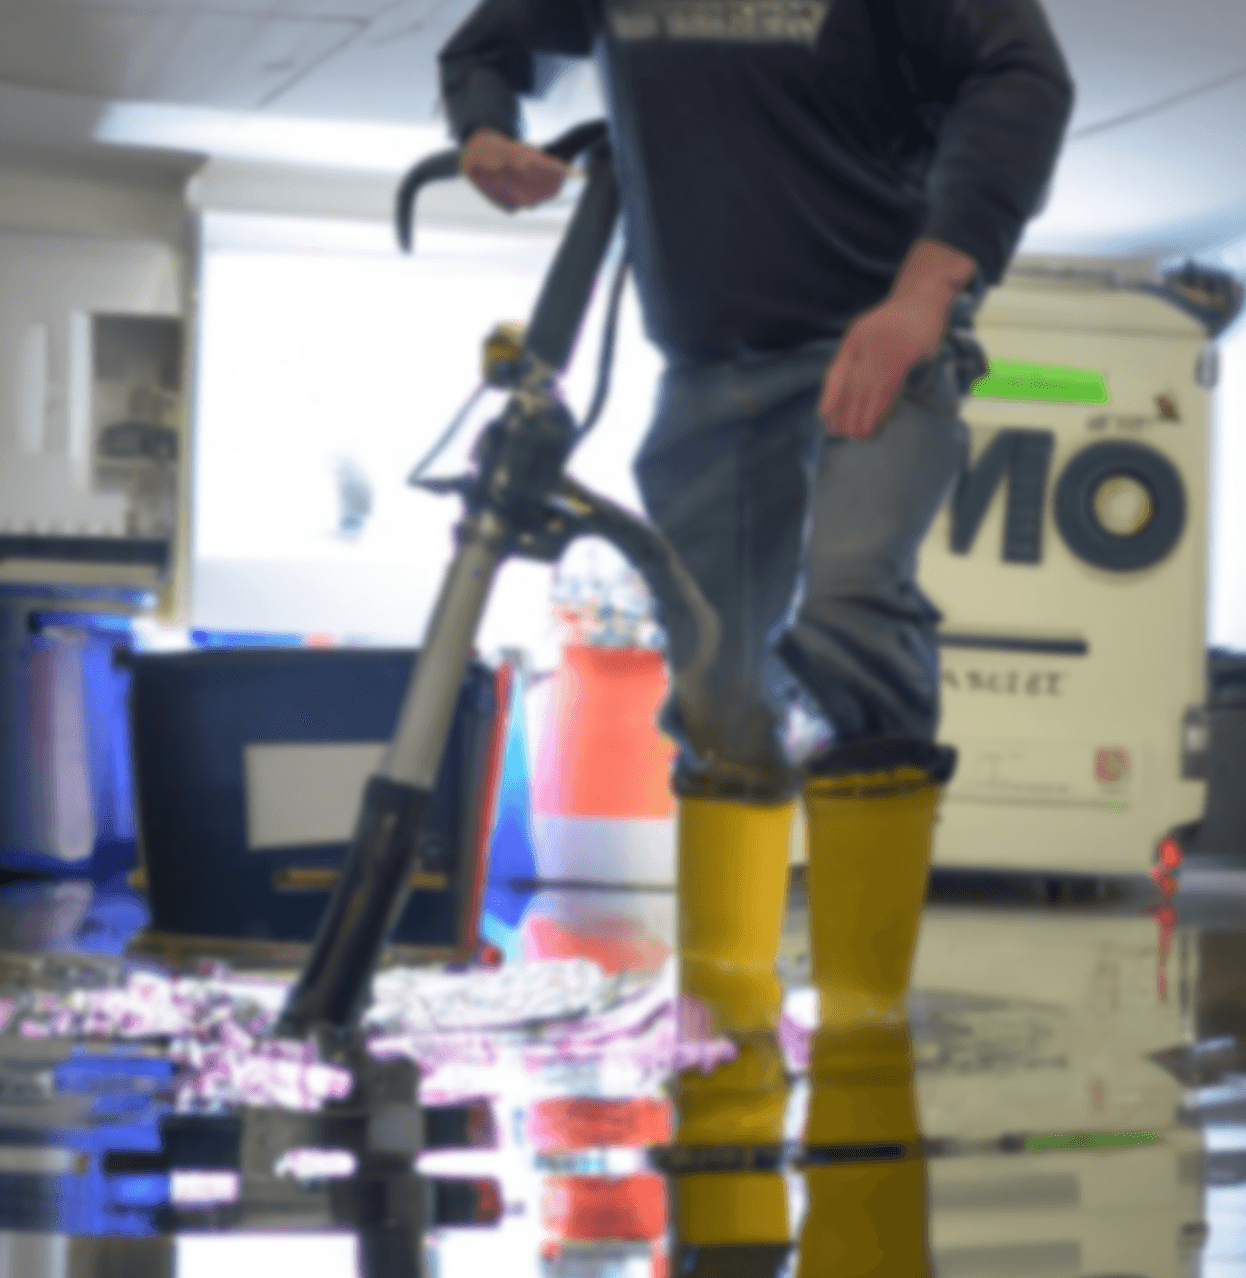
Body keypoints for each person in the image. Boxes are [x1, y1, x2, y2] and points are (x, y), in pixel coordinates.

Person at [438, 2, 1073, 1272]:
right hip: (704, 373)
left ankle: (864, 1028)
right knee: (721, 683)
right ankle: (727, 1009)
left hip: (876, 344)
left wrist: (923, 290)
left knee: (849, 601)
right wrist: (486, 132)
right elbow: (489, 41)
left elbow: (1022, 73)